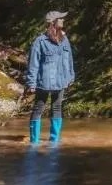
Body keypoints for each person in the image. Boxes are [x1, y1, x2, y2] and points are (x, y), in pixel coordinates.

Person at [24, 10, 75, 144]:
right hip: (43, 83)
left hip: (60, 82)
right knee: (38, 109)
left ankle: (54, 140)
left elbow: (69, 60)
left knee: (57, 108)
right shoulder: (40, 41)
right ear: (53, 22)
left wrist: (70, 77)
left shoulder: (65, 40)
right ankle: (34, 142)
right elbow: (33, 64)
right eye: (60, 18)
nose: (63, 20)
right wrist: (31, 84)